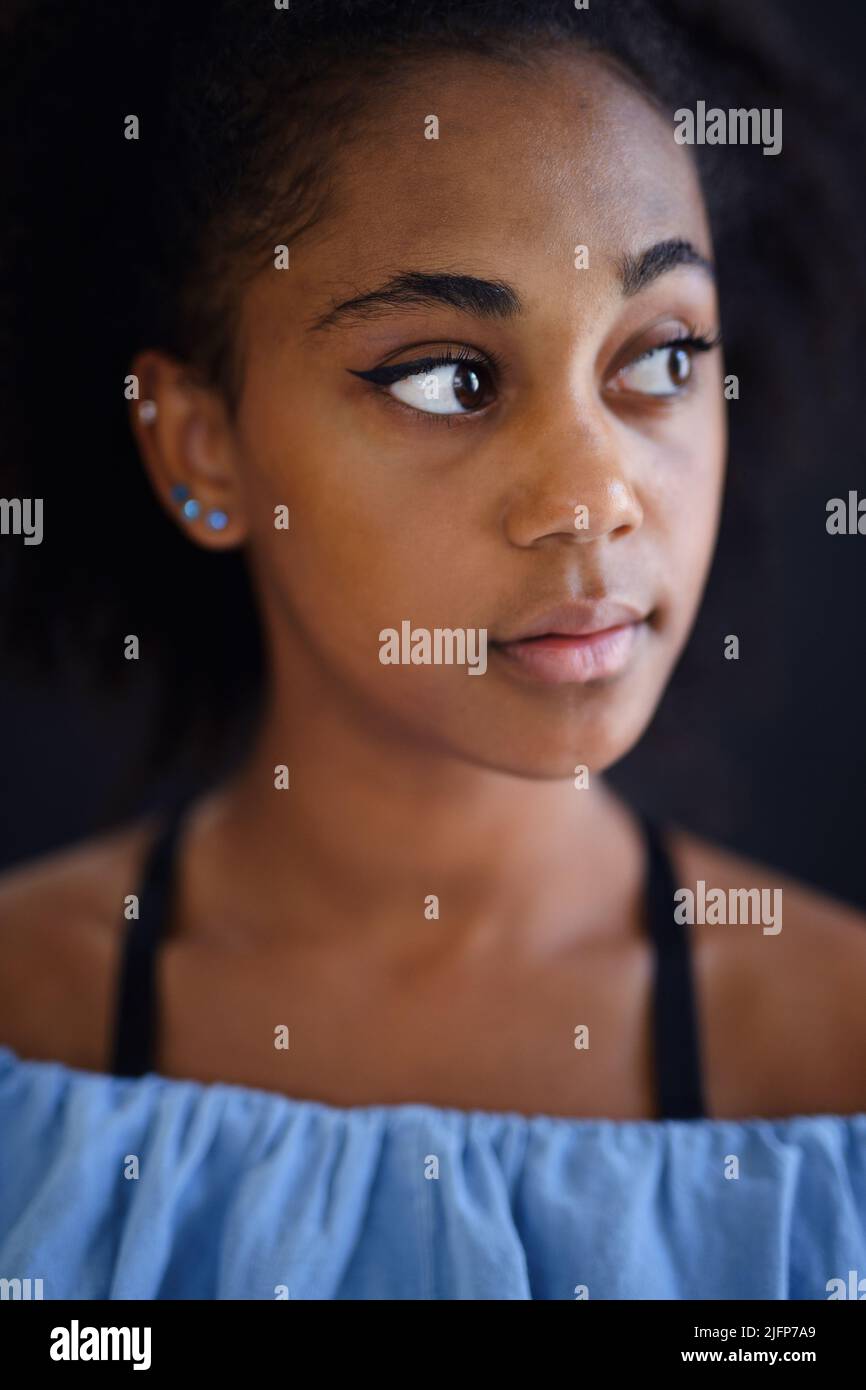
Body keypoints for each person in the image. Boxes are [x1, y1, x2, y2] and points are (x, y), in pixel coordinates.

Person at [0, 0, 864, 1300]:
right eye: (445, 377)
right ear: (200, 445)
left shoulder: (834, 1057)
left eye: (662, 353)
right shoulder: (26, 1022)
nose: (594, 493)